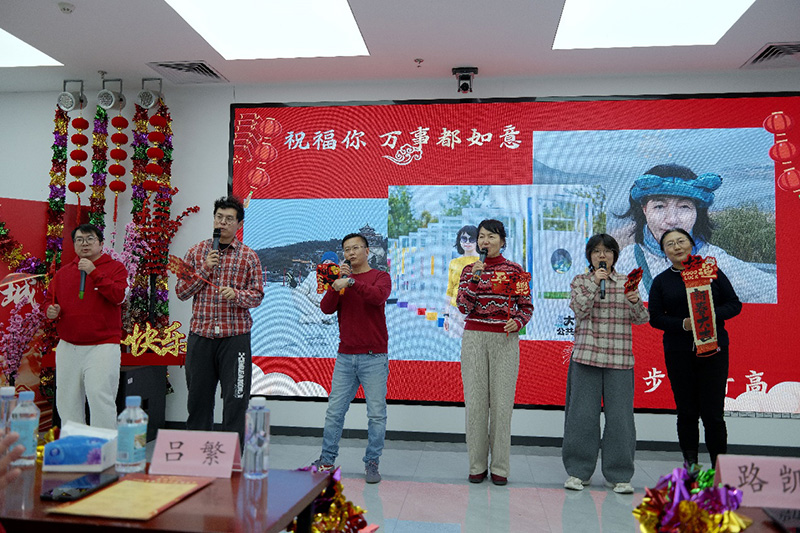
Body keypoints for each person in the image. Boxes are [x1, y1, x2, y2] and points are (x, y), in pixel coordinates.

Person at [615, 163, 776, 303]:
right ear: (645, 210)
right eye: (659, 206)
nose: (672, 219)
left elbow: (776, 295)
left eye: (684, 207)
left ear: (697, 212)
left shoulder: (717, 262)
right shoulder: (625, 262)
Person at [562, 234, 649, 494]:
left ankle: (619, 475)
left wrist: (634, 301)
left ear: (615, 256)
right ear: (590, 256)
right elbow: (579, 310)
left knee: (620, 419)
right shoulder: (581, 281)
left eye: (608, 251)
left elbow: (642, 318)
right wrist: (594, 283)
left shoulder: (626, 283)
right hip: (586, 357)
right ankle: (578, 472)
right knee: (582, 417)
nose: (602, 256)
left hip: (619, 359)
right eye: (597, 251)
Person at [648, 228, 742, 469]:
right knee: (687, 411)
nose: (677, 247)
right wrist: (683, 324)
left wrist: (709, 316)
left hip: (714, 350)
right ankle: (691, 466)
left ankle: (719, 468)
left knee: (713, 414)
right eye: (670, 244)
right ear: (664, 252)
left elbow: (734, 304)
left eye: (681, 241)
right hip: (679, 352)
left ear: (691, 244)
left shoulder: (711, 273)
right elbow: (655, 318)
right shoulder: (661, 281)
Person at [176, 196, 264, 446]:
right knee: (198, 400)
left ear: (239, 224)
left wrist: (237, 295)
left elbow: (257, 296)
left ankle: (232, 457)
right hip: (201, 336)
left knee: (236, 400)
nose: (222, 223)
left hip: (235, 339)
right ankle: (197, 454)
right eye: (219, 217)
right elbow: (181, 292)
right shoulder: (196, 252)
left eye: (228, 219)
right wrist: (205, 268)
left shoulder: (249, 256)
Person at [456, 219, 533, 486]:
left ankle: (500, 467)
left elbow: (526, 307)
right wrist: (475, 280)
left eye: (491, 236)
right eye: (481, 236)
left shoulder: (515, 270)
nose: (484, 241)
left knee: (502, 406)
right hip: (474, 339)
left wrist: (518, 322)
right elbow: (463, 308)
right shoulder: (469, 270)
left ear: (502, 240)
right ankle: (476, 466)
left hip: (505, 340)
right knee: (476, 405)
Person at [313, 233, 392, 484]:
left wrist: (351, 283)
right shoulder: (340, 280)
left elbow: (377, 298)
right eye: (347, 249)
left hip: (374, 357)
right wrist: (337, 285)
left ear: (367, 251)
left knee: (376, 414)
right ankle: (327, 460)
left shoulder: (380, 277)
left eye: (356, 248)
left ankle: (372, 461)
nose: (351, 253)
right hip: (345, 356)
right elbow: (326, 308)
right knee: (335, 412)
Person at [45, 223, 128, 430]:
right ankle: (76, 444)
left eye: (90, 239)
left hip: (103, 345)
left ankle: (104, 446)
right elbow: (49, 301)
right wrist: (51, 311)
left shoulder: (115, 268)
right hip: (68, 346)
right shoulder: (63, 273)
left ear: (100, 243)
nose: (85, 244)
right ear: (74, 245)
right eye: (79, 240)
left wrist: (94, 272)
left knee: (100, 396)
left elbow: (119, 296)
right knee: (67, 400)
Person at [443, 225, 479, 337]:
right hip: (456, 310)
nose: (467, 242)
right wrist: (446, 315)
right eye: (464, 239)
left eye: (471, 239)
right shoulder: (454, 263)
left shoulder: (483, 261)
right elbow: (450, 289)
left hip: (476, 311)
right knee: (457, 344)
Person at [292, 251, 338, 326]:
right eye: (326, 262)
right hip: (311, 307)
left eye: (331, 262)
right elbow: (302, 291)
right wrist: (295, 287)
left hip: (328, 308)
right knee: (296, 295)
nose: (328, 264)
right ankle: (321, 317)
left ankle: (310, 319)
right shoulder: (313, 275)